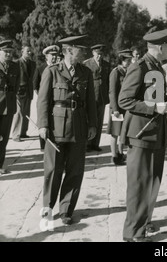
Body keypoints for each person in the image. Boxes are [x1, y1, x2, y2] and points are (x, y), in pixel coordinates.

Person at [118, 28, 167, 242]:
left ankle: (144, 222)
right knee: (140, 185)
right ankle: (132, 233)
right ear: (161, 47)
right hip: (141, 135)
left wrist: (163, 107)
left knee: (152, 183)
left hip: (155, 134)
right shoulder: (139, 67)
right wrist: (154, 108)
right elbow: (125, 100)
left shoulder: (156, 66)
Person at [37, 35, 97, 225]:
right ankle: (47, 208)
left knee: (75, 170)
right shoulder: (52, 71)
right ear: (69, 50)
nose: (84, 51)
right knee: (53, 170)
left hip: (78, 126)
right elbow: (43, 101)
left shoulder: (85, 72)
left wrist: (93, 124)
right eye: (80, 48)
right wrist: (43, 125)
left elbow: (90, 102)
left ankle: (66, 210)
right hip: (56, 127)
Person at [0, 40, 20, 174]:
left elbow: (16, 86)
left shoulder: (15, 67)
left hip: (9, 104)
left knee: (4, 137)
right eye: (6, 51)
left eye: (11, 52)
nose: (9, 54)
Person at [107, 49, 132, 166]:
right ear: (121, 60)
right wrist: (115, 109)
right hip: (117, 108)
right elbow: (112, 92)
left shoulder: (127, 72)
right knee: (115, 133)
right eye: (126, 60)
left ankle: (121, 153)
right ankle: (114, 156)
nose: (129, 62)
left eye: (129, 60)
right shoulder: (115, 72)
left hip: (125, 107)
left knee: (123, 132)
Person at [84, 44, 110, 152]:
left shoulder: (106, 64)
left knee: (99, 121)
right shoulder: (86, 64)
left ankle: (95, 144)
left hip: (102, 97)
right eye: (97, 54)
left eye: (101, 54)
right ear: (93, 53)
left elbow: (108, 80)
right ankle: (87, 144)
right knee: (90, 120)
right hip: (91, 96)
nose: (99, 56)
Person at [33, 45, 60, 151]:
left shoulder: (59, 68)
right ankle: (43, 146)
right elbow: (35, 85)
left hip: (55, 100)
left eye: (55, 55)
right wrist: (42, 96)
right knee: (43, 121)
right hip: (44, 99)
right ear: (46, 57)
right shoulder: (40, 68)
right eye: (52, 55)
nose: (54, 57)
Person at [11, 46, 36, 142]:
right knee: (18, 113)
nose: (29, 53)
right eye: (27, 51)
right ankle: (16, 134)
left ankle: (23, 133)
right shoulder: (17, 63)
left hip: (28, 91)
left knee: (26, 112)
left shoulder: (33, 64)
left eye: (30, 51)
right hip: (19, 91)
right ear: (22, 52)